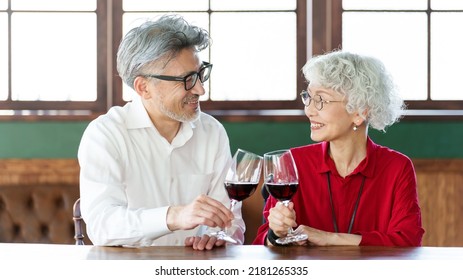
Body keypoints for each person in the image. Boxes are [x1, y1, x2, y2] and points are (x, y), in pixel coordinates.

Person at [78, 14, 245, 250]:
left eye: (200, 74)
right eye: (187, 80)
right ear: (143, 87)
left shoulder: (212, 132)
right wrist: (173, 216)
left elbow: (231, 220)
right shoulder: (106, 134)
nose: (200, 89)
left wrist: (216, 234)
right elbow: (103, 226)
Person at [253, 50, 425, 246]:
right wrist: (276, 233)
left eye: (321, 100)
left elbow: (408, 240)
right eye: (308, 97)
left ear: (359, 112)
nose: (309, 110)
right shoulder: (292, 162)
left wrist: (329, 238)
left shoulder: (397, 167)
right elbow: (262, 242)